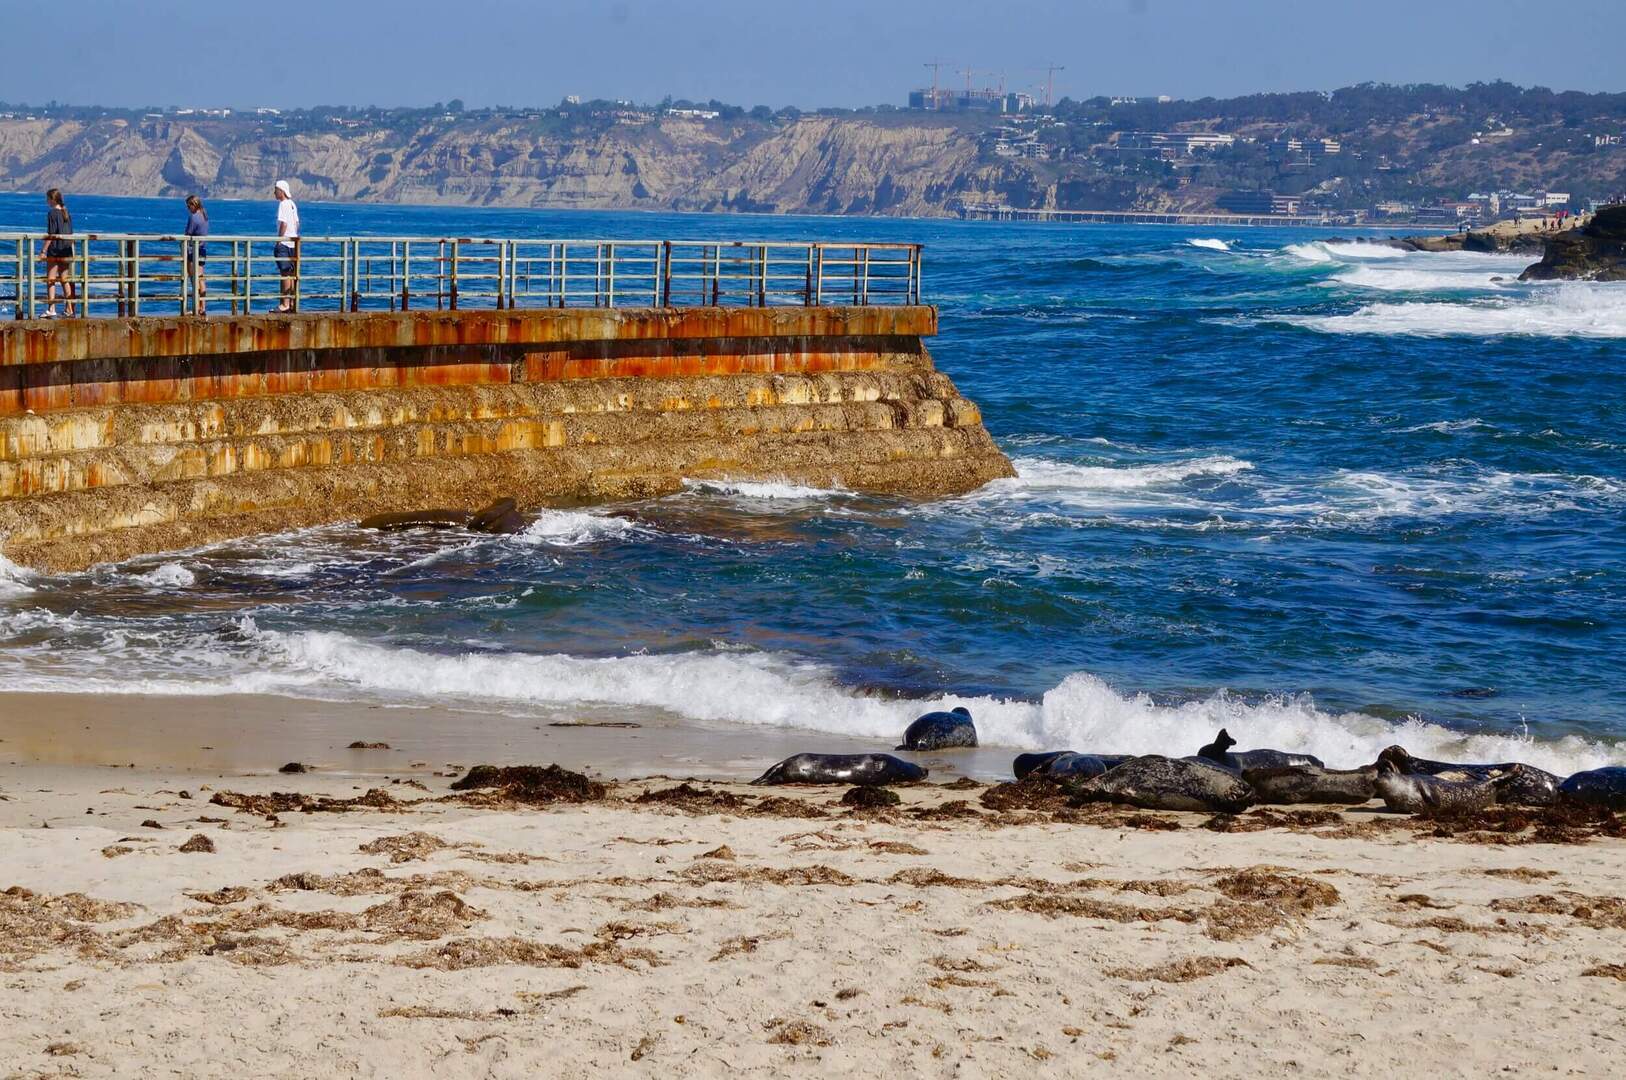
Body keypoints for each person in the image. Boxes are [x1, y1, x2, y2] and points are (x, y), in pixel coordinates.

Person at [41, 188, 75, 318]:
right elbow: (70, 233)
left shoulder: (52, 213)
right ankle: (69, 309)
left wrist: (43, 250)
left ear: (52, 200)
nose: (46, 201)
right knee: (64, 280)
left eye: (47, 199)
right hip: (66, 249)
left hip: (55, 250)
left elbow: (51, 234)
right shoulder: (66, 212)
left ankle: (51, 308)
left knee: (51, 280)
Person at [273, 179, 299, 313]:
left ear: (281, 191)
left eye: (276, 190)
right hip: (293, 242)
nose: (274, 193)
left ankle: (285, 304)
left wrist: (279, 240)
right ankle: (292, 302)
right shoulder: (292, 204)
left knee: (285, 273)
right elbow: (297, 223)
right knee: (292, 273)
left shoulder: (283, 204)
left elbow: (283, 223)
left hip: (284, 243)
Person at [184, 195, 209, 316]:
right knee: (201, 278)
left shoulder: (193, 217)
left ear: (194, 205)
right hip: (202, 249)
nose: (188, 208)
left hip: (194, 250)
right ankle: (202, 307)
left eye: (188, 206)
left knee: (194, 279)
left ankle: (197, 307)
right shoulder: (205, 216)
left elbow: (188, 233)